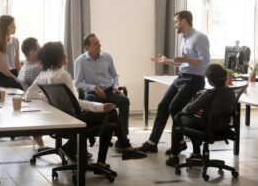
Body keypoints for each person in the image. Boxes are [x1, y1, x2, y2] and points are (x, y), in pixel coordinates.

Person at [25, 42, 146, 170]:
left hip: (60, 120)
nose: (65, 54)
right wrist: (101, 107)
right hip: (74, 121)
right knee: (111, 114)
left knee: (109, 119)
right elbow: (77, 103)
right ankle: (124, 149)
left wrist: (46, 98)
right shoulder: (63, 75)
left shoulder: (44, 74)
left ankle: (115, 153)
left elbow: (29, 94)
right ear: (57, 56)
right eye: (63, 52)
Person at [136, 10, 210, 155]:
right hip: (182, 77)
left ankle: (178, 143)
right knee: (163, 106)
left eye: (176, 22)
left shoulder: (199, 37)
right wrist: (168, 61)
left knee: (174, 107)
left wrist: (186, 60)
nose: (175, 25)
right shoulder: (184, 38)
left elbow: (205, 61)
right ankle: (153, 143)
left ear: (183, 21)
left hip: (194, 79)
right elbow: (182, 63)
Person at [166, 64, 231, 166]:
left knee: (177, 117)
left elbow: (189, 110)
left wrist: (198, 111)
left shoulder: (209, 93)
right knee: (194, 120)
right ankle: (196, 153)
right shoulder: (230, 92)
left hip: (208, 127)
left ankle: (174, 156)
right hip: (224, 127)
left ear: (210, 80)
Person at [74, 33, 130, 146]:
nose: (100, 45)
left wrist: (115, 87)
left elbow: (115, 75)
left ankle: (122, 137)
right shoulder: (80, 61)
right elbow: (78, 83)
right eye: (96, 43)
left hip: (109, 90)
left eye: (99, 42)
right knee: (90, 101)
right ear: (87, 47)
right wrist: (93, 88)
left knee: (124, 100)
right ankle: (95, 134)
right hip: (92, 93)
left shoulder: (107, 57)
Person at [17, 37, 43, 147]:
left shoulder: (24, 67)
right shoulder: (35, 69)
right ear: (32, 52)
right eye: (39, 49)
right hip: (37, 105)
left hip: (31, 104)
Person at [0, 15, 23, 90]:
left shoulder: (16, 41)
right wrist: (17, 79)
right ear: (4, 28)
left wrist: (21, 76)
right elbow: (2, 69)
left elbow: (17, 63)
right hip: (2, 75)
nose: (15, 28)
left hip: (13, 72)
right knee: (20, 84)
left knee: (25, 82)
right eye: (12, 26)